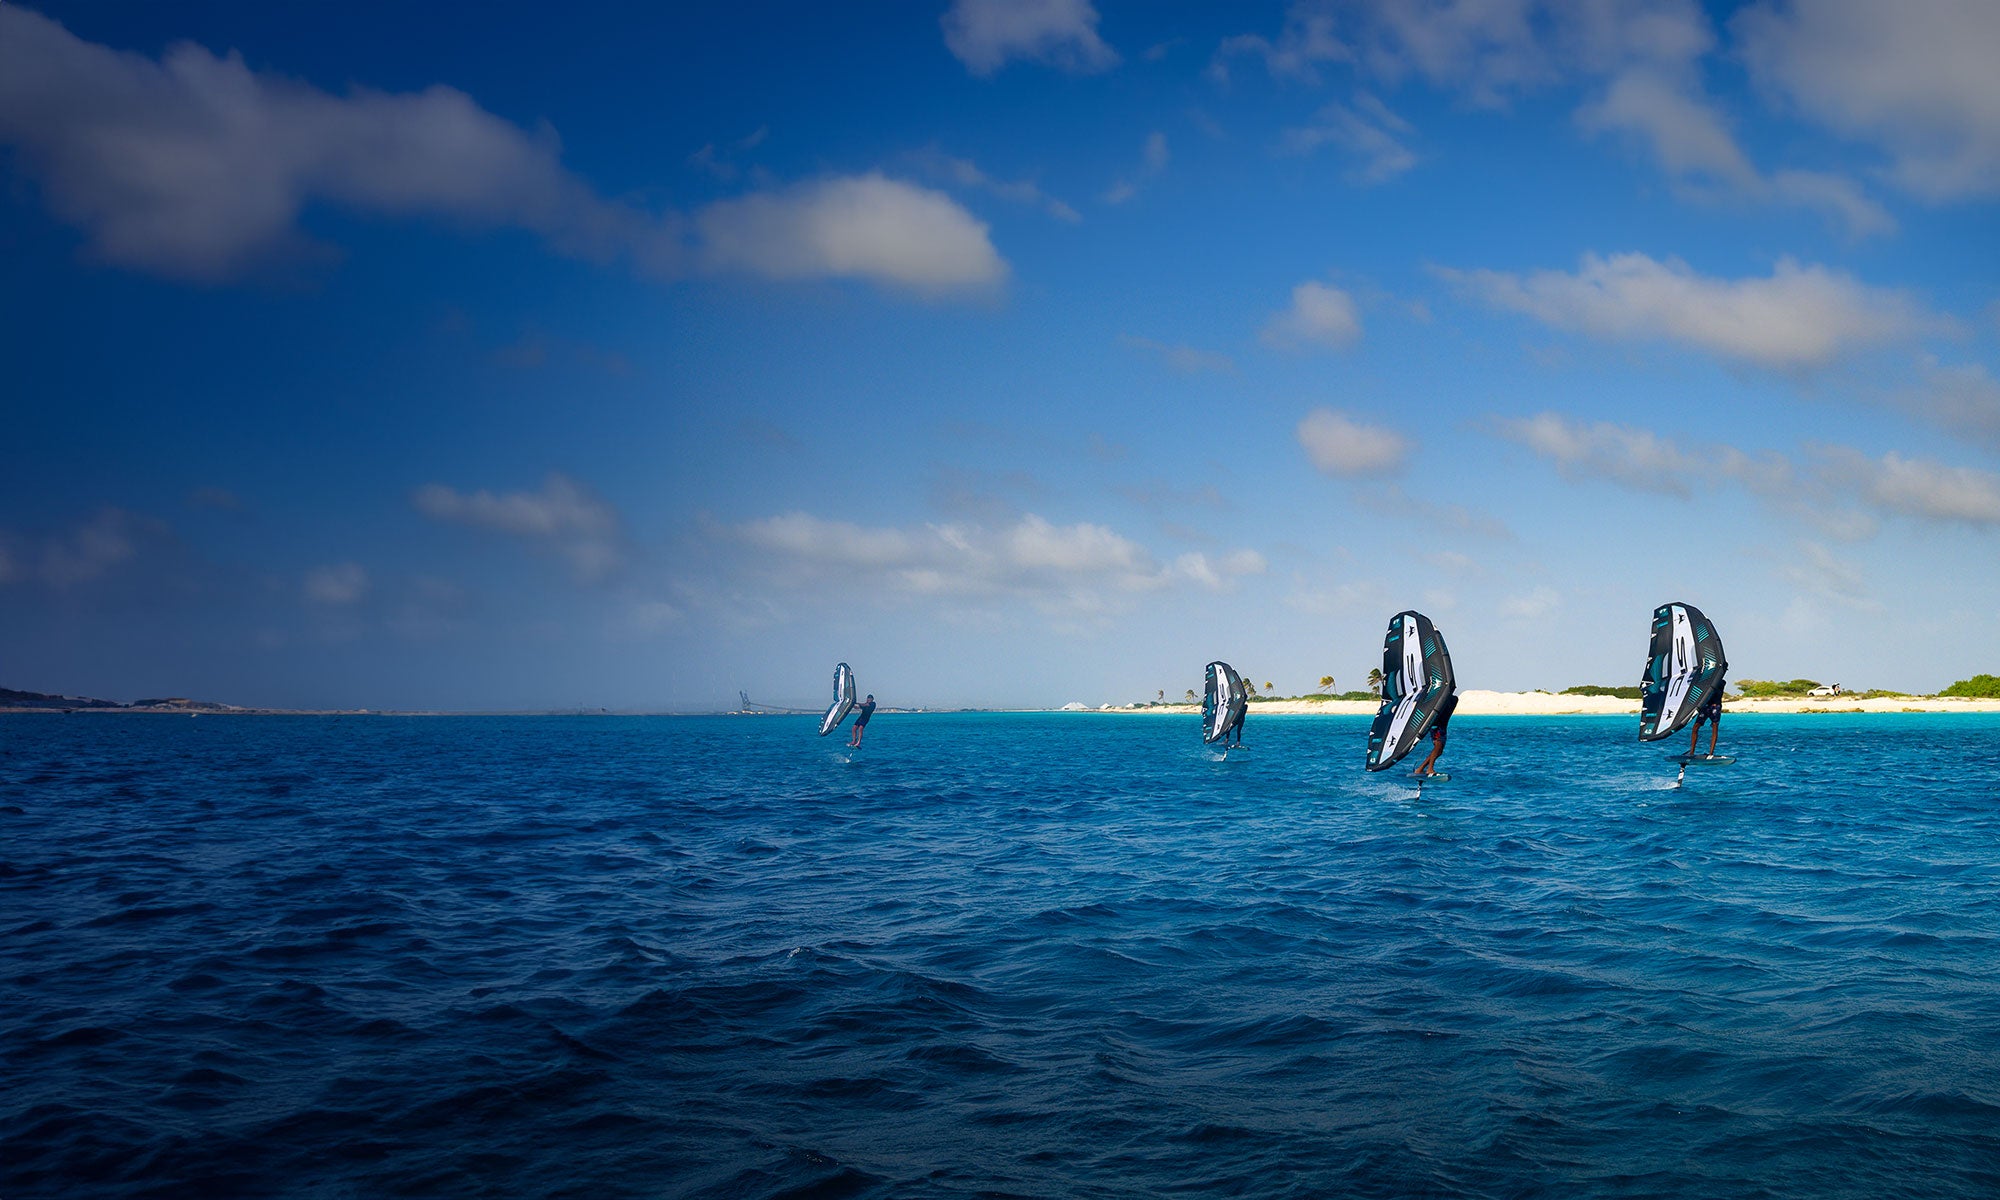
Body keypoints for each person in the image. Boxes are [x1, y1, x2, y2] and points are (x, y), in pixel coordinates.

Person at [1413, 691, 1458, 776]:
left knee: (1439, 751)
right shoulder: (1437, 698)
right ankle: (1429, 769)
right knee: (1438, 746)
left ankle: (1420, 769)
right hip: (1436, 726)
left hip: (1443, 727)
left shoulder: (1453, 699)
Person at [1689, 681, 1723, 758]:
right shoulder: (1705, 682)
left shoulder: (1721, 682)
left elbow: (1717, 691)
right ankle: (1691, 752)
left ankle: (1711, 753)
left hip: (1715, 707)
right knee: (1695, 727)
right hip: (1705, 707)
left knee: (1715, 726)